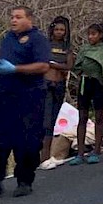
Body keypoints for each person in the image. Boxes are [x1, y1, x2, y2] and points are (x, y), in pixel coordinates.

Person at [0, 6, 51, 202]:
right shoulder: (7, 38)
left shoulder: (37, 39)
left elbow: (43, 66)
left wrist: (16, 69)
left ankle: (24, 181)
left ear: (29, 19)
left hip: (28, 98)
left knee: (26, 142)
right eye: (12, 17)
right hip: (2, 96)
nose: (13, 20)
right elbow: (0, 63)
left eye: (18, 17)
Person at [68, 24, 103, 166]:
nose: (91, 37)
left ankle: (97, 150)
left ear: (100, 35)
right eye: (89, 34)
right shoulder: (84, 49)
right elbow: (77, 65)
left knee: (99, 116)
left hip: (99, 83)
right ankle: (80, 153)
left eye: (94, 34)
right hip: (85, 83)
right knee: (82, 117)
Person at [41, 16, 73, 163]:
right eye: (57, 29)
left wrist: (53, 65)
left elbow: (69, 66)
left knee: (53, 120)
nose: (59, 32)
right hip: (46, 84)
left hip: (59, 85)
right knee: (45, 121)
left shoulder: (67, 47)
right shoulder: (45, 45)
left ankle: (49, 156)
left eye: (62, 30)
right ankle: (44, 156)